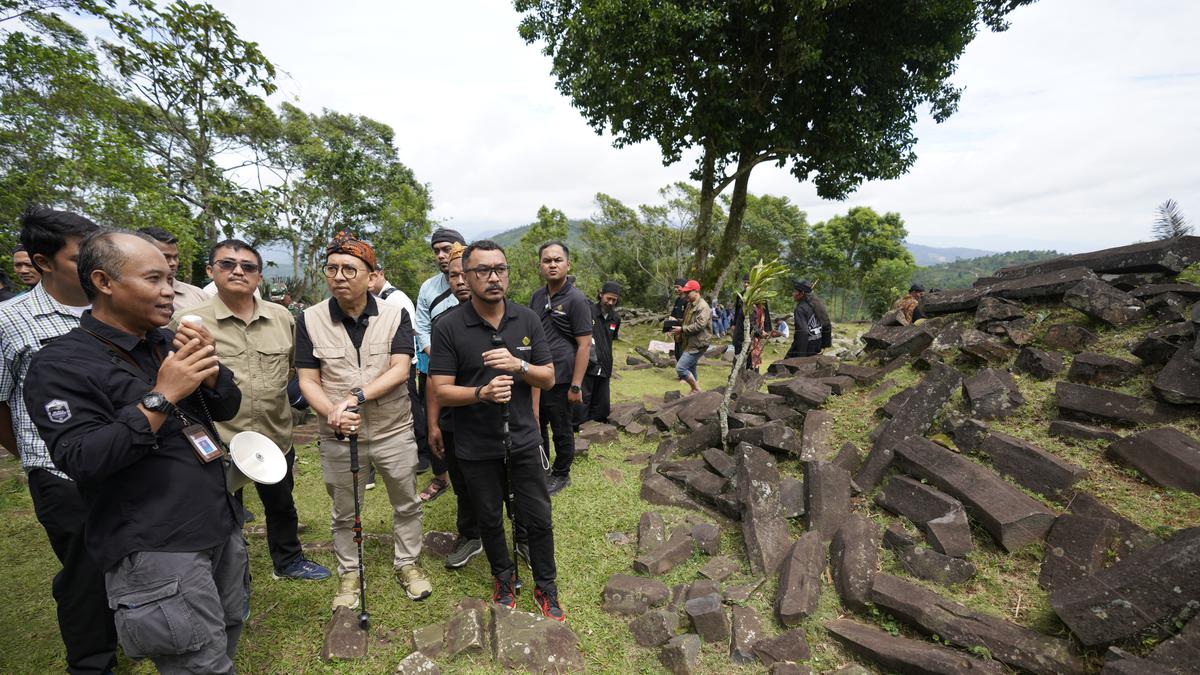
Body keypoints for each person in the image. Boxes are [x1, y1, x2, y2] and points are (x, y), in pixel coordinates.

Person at [25, 229, 245, 673]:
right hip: (157, 546)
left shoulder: (165, 341)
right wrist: (162, 395)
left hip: (217, 522)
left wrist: (209, 373)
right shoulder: (61, 364)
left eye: (170, 277)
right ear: (104, 282)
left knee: (226, 631)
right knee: (197, 663)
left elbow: (226, 405)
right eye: (154, 279)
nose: (169, 292)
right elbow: (82, 458)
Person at [169, 239, 331, 582]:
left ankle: (288, 561)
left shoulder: (281, 317)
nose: (238, 271)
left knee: (281, 503)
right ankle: (229, 577)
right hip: (220, 439)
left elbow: (298, 371)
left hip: (274, 434)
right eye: (227, 264)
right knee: (222, 511)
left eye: (248, 266)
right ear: (211, 272)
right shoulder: (185, 323)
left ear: (259, 277)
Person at [0, 208, 117, 674]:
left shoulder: (115, 309)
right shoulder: (11, 322)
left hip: (125, 459)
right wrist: (35, 457)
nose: (93, 266)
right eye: (79, 257)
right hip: (61, 473)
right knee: (84, 572)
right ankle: (93, 661)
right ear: (42, 262)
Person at [429, 239, 564, 620]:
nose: (493, 277)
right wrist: (481, 392)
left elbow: (549, 378)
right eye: (483, 271)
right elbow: (441, 389)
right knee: (489, 517)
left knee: (537, 517)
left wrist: (518, 366)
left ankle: (546, 586)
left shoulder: (527, 320)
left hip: (522, 439)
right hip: (475, 443)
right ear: (466, 277)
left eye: (500, 269)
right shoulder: (449, 327)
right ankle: (503, 577)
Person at [295, 231, 431, 608]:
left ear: (370, 276)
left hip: (393, 430)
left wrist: (355, 398)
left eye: (349, 269)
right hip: (338, 434)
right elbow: (307, 379)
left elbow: (401, 368)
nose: (339, 276)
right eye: (332, 269)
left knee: (406, 502)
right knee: (344, 510)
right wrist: (333, 413)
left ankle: (407, 563)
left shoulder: (395, 314)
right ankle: (349, 573)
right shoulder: (309, 319)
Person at [425, 243, 485, 570]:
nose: (460, 281)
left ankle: (517, 537)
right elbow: (435, 379)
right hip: (454, 420)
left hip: (492, 420)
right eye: (452, 276)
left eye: (465, 274)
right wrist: (433, 424)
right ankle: (470, 535)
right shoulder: (444, 323)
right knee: (462, 483)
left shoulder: (508, 317)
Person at [529, 241, 592, 496]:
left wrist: (576, 385)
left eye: (557, 260)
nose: (552, 264)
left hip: (563, 376)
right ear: (540, 266)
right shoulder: (537, 296)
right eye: (547, 261)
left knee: (561, 425)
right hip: (536, 372)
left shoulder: (576, 299)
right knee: (537, 422)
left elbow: (585, 345)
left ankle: (561, 472)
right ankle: (540, 467)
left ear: (568, 264)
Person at [414, 229, 467, 482]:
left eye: (447, 249)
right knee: (432, 419)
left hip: (468, 368)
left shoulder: (475, 282)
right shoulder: (428, 288)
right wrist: (441, 358)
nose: (441, 255)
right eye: (436, 251)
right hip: (433, 364)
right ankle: (441, 476)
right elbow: (422, 327)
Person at [367, 262, 420, 492]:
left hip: (401, 364)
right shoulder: (378, 298)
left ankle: (418, 458)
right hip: (384, 369)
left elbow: (411, 330)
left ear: (379, 274)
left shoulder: (395, 299)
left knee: (409, 411)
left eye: (372, 276)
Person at [576, 281, 621, 424]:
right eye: (608, 298)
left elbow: (611, 339)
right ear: (601, 295)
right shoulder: (588, 312)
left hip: (606, 362)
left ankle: (597, 423)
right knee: (585, 395)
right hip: (588, 361)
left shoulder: (616, 318)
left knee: (602, 401)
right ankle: (579, 424)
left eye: (614, 300)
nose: (610, 302)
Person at [138, 226, 210, 312]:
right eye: (165, 257)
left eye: (175, 257)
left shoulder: (198, 295)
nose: (173, 263)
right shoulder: (131, 296)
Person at [670, 279, 711, 395]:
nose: (686, 294)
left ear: (696, 291)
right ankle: (696, 392)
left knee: (681, 368)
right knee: (692, 367)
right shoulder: (689, 304)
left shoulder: (703, 306)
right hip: (690, 341)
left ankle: (696, 389)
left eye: (688, 292)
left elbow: (699, 325)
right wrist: (675, 324)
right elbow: (687, 321)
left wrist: (682, 329)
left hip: (699, 343)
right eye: (685, 292)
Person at [786, 279, 823, 358]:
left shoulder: (800, 309)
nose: (793, 294)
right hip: (816, 348)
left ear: (801, 293)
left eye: (795, 292)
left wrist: (801, 356)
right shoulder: (815, 305)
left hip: (805, 349)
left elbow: (802, 332)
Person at [662, 277, 687, 359]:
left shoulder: (688, 301)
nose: (676, 289)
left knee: (683, 356)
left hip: (685, 332)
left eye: (678, 287)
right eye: (675, 287)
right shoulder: (677, 300)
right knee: (677, 355)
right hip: (676, 333)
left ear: (683, 287)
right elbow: (672, 316)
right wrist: (668, 329)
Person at [807, 282, 833, 352]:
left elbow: (825, 322)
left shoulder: (813, 302)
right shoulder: (813, 301)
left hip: (817, 338)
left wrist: (824, 344)